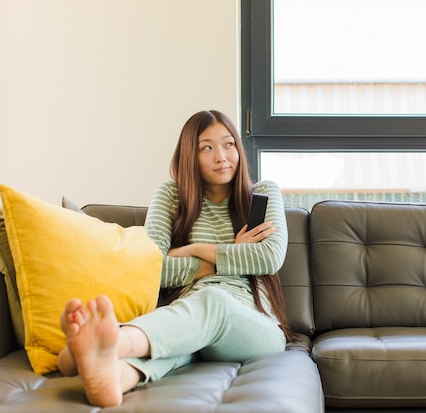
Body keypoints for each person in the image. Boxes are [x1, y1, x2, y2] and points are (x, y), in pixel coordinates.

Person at [57, 110, 294, 407]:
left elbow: (269, 257)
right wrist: (233, 251)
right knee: (179, 339)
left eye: (229, 144)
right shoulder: (171, 195)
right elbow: (152, 267)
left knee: (213, 302)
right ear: (189, 156)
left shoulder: (262, 193)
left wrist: (192, 249)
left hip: (255, 326)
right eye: (207, 147)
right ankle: (114, 375)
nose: (221, 156)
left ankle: (113, 342)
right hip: (189, 314)